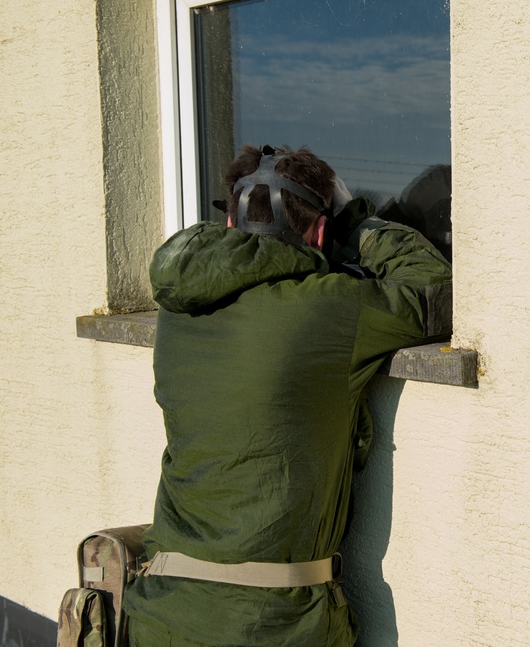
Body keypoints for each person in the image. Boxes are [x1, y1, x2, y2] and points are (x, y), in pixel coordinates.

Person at [122, 144, 453, 646]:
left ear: (230, 225)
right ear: (320, 232)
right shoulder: (326, 310)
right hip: (272, 626)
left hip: (162, 610)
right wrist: (355, 223)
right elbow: (433, 289)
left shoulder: (178, 310)